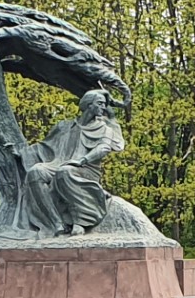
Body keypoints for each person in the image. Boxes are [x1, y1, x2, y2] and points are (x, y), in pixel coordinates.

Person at [12, 88, 126, 237]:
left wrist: (82, 160)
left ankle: (81, 221)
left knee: (64, 172)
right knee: (35, 172)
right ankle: (56, 223)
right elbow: (44, 146)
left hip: (86, 168)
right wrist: (22, 153)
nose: (103, 107)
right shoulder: (64, 126)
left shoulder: (105, 129)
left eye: (105, 104)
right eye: (100, 103)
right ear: (88, 104)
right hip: (59, 163)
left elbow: (103, 148)